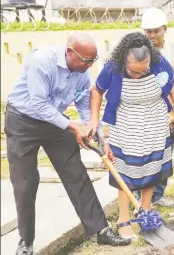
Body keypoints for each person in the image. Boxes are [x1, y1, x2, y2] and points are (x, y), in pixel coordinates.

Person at [5, 32, 131, 255]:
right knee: (25, 182)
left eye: (93, 61)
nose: (89, 66)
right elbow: (38, 105)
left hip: (56, 121)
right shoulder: (41, 62)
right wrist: (73, 126)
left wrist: (99, 137)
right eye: (86, 60)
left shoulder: (82, 72)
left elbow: (84, 108)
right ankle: (26, 242)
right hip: (23, 121)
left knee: (76, 173)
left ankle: (100, 230)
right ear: (70, 52)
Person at [88, 32, 174, 240]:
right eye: (134, 72)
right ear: (125, 59)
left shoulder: (159, 63)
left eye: (144, 71)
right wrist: (94, 119)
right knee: (125, 172)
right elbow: (96, 90)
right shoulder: (112, 67)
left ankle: (145, 214)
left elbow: (172, 83)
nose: (139, 76)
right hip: (126, 124)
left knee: (151, 169)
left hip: (154, 123)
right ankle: (124, 219)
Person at [137, 7, 174, 208]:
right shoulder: (136, 51)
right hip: (144, 113)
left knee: (164, 154)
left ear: (165, 29)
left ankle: (158, 194)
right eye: (148, 31)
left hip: (167, 113)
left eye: (156, 31)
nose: (152, 35)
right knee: (143, 155)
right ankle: (140, 197)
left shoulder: (173, 52)